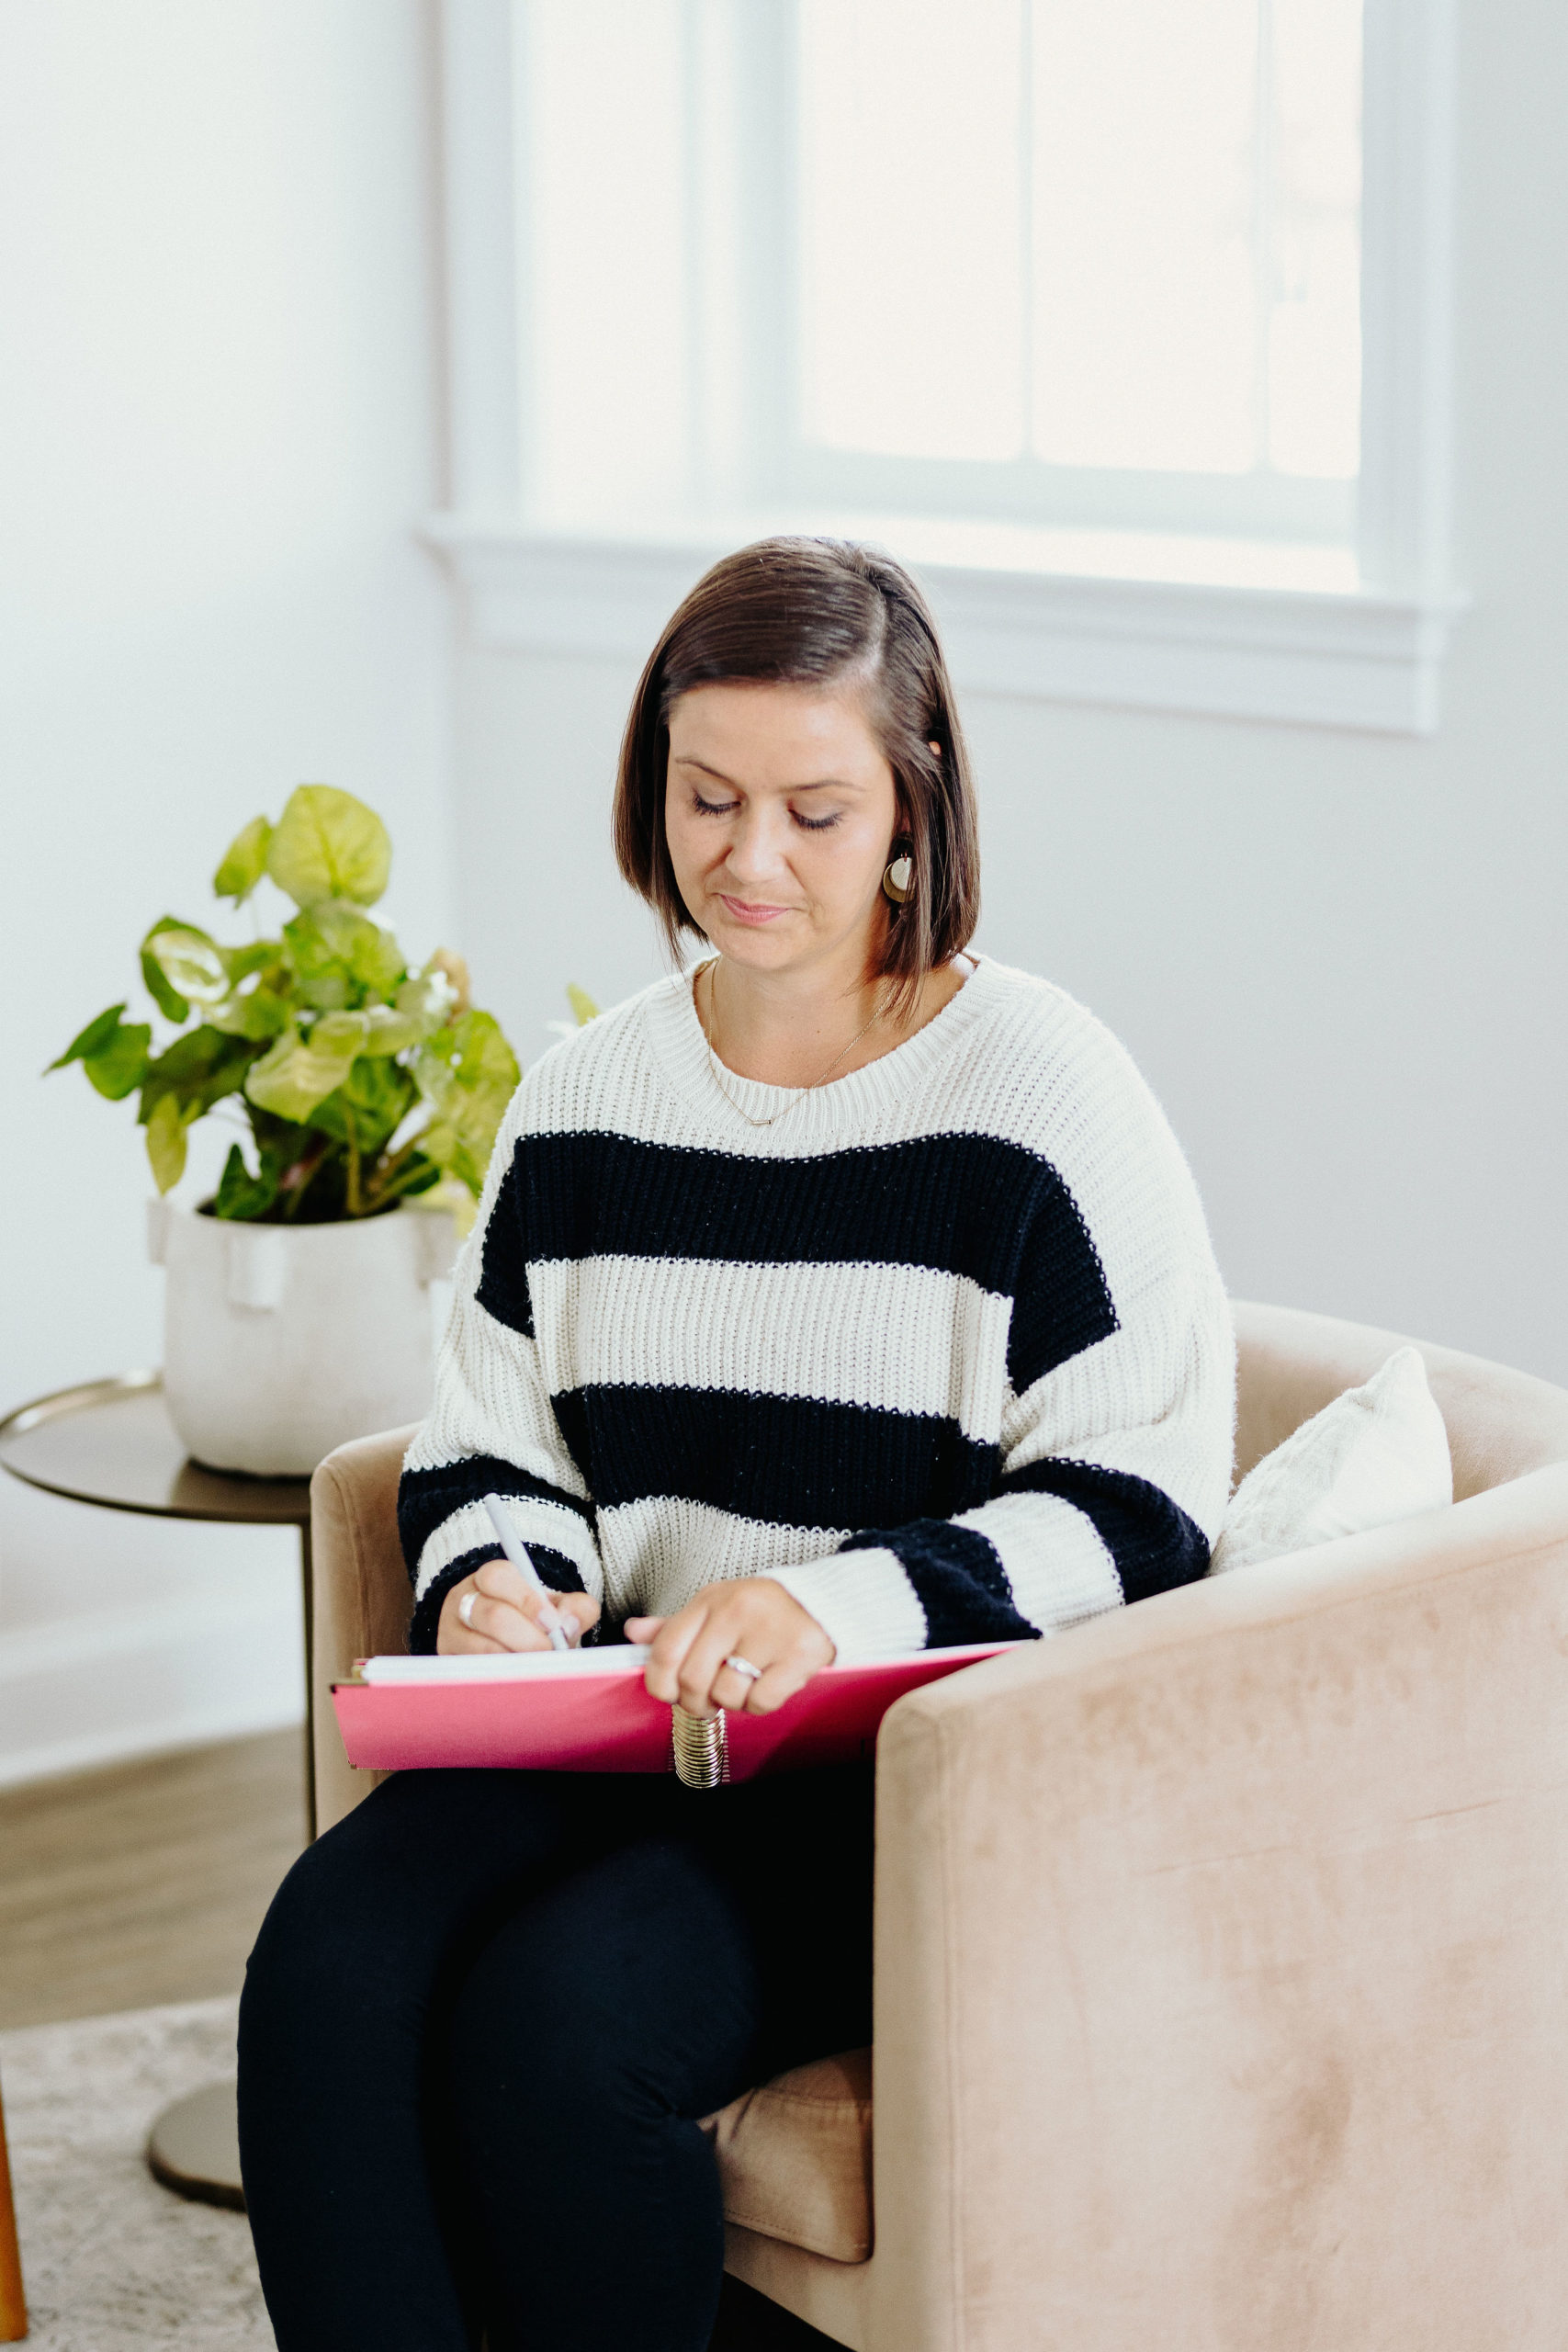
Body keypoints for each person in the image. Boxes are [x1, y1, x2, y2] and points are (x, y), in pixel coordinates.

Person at [237, 537, 1235, 2351]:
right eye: (705, 797)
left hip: (903, 1788)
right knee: (327, 1954)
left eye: (812, 808)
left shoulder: (1041, 1090)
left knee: (559, 2021)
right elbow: (490, 1436)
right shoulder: (590, 1098)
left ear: (912, 814)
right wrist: (500, 1578)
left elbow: (1145, 1495)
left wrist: (835, 1605)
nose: (747, 860)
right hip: (625, 1727)